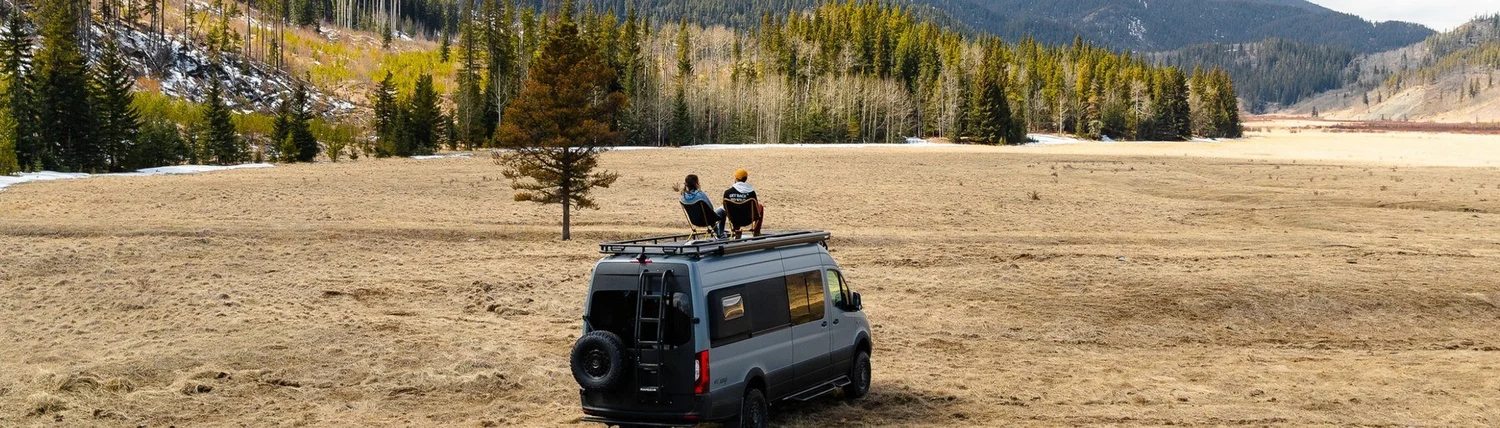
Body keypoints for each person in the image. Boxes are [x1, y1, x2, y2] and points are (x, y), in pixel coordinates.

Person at [723, 169, 765, 236]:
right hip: (748, 219)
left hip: (734, 219)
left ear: (736, 178)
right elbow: (756, 208)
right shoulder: (751, 192)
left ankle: (736, 230)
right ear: (745, 179)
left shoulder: (727, 193)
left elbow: (725, 208)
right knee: (760, 206)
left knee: (733, 208)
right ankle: (756, 231)